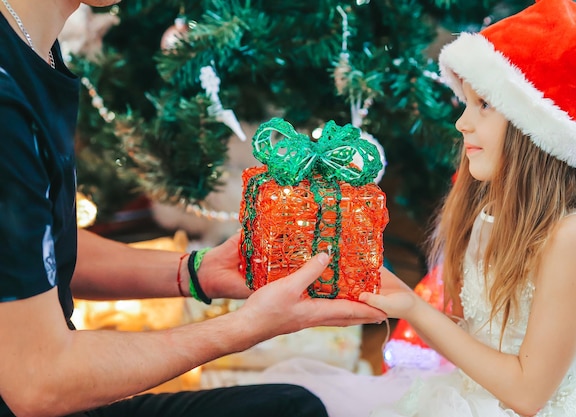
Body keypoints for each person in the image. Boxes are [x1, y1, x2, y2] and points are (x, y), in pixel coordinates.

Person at [0, 1, 393, 416]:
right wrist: (247, 326)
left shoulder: (31, 45)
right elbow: (39, 381)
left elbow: (35, 250)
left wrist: (197, 271)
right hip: (39, 387)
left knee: (294, 405)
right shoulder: (6, 107)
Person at [254, 0, 576, 415]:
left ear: (536, 128)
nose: (461, 123)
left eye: (484, 104)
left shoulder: (575, 237)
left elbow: (527, 394)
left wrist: (415, 309)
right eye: (465, 103)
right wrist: (397, 296)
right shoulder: (493, 214)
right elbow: (486, 341)